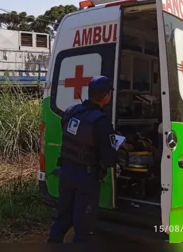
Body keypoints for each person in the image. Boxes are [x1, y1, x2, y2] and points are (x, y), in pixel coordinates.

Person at [48, 75, 119, 244]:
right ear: (106, 96)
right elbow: (109, 160)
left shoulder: (71, 112)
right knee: (84, 229)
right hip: (85, 179)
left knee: (62, 220)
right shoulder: (101, 122)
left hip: (65, 173)